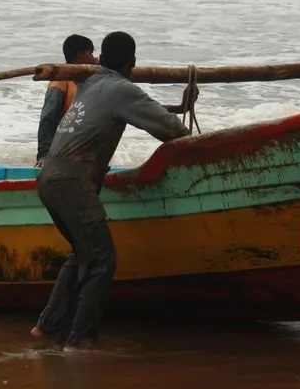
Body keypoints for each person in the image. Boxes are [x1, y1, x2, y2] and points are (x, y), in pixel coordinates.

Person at [29, 31, 198, 351]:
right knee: (102, 259)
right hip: (73, 184)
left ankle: (47, 326)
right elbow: (171, 130)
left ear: (102, 60)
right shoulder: (122, 89)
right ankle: (81, 340)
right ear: (132, 63)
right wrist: (200, 148)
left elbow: (134, 106)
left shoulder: (90, 82)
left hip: (49, 179)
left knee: (82, 253)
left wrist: (177, 105)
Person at [36, 34, 97, 167]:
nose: (93, 58)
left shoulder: (89, 80)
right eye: (90, 54)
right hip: (62, 150)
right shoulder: (60, 82)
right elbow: (48, 119)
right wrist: (44, 154)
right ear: (80, 56)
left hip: (82, 150)